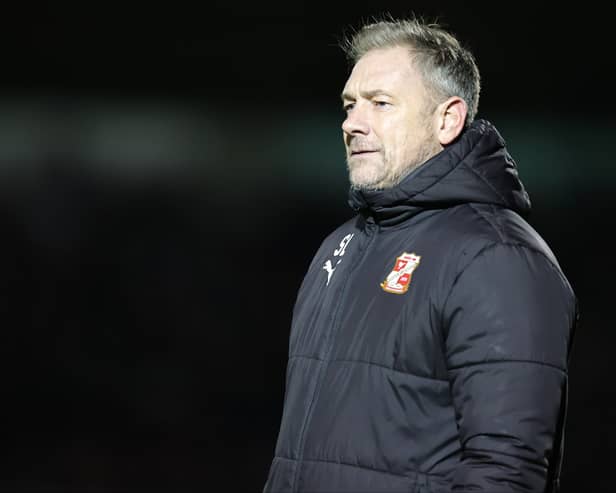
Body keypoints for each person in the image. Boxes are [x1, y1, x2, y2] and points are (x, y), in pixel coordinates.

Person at [263, 16, 577, 493]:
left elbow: (506, 471)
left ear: (447, 119)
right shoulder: (340, 248)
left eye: (380, 104)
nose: (351, 123)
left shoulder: (498, 258)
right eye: (349, 105)